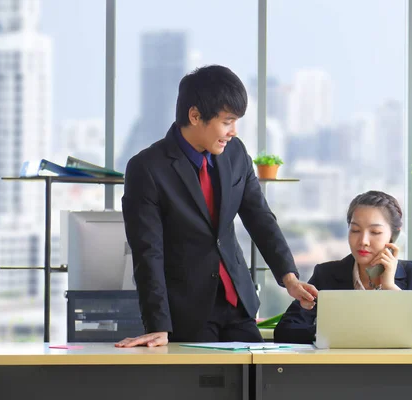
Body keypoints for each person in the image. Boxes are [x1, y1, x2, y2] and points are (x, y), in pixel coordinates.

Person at [116, 65, 318, 348]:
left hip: (239, 303)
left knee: (256, 385)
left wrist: (289, 278)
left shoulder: (235, 154)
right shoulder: (147, 168)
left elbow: (261, 219)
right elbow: (148, 252)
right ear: (195, 116)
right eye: (227, 121)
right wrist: (157, 324)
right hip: (187, 312)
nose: (234, 131)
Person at [274, 190, 412, 344]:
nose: (363, 241)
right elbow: (285, 330)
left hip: (401, 374)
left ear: (393, 236)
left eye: (375, 232)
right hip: (341, 374)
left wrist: (393, 290)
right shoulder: (328, 274)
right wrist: (328, 334)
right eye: (355, 230)